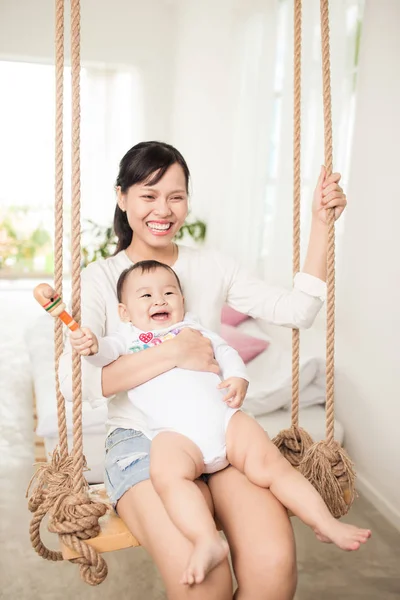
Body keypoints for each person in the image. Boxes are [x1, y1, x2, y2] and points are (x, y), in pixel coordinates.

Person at [59, 140, 350, 600]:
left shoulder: (213, 266)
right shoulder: (101, 278)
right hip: (144, 441)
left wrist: (320, 225)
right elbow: (77, 385)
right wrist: (175, 353)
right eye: (148, 195)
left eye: (175, 196)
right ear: (122, 198)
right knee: (205, 585)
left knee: (274, 567)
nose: (163, 209)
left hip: (216, 428)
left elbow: (298, 310)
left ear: (188, 201)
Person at [70, 259, 370, 586]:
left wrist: (239, 377)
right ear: (125, 312)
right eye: (145, 296)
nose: (159, 300)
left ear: (182, 301)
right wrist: (91, 344)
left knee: (273, 465)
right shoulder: (126, 338)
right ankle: (206, 541)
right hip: (176, 437)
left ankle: (324, 522)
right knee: (167, 476)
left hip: (225, 422)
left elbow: (225, 352)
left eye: (169, 292)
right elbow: (101, 356)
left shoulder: (194, 328)